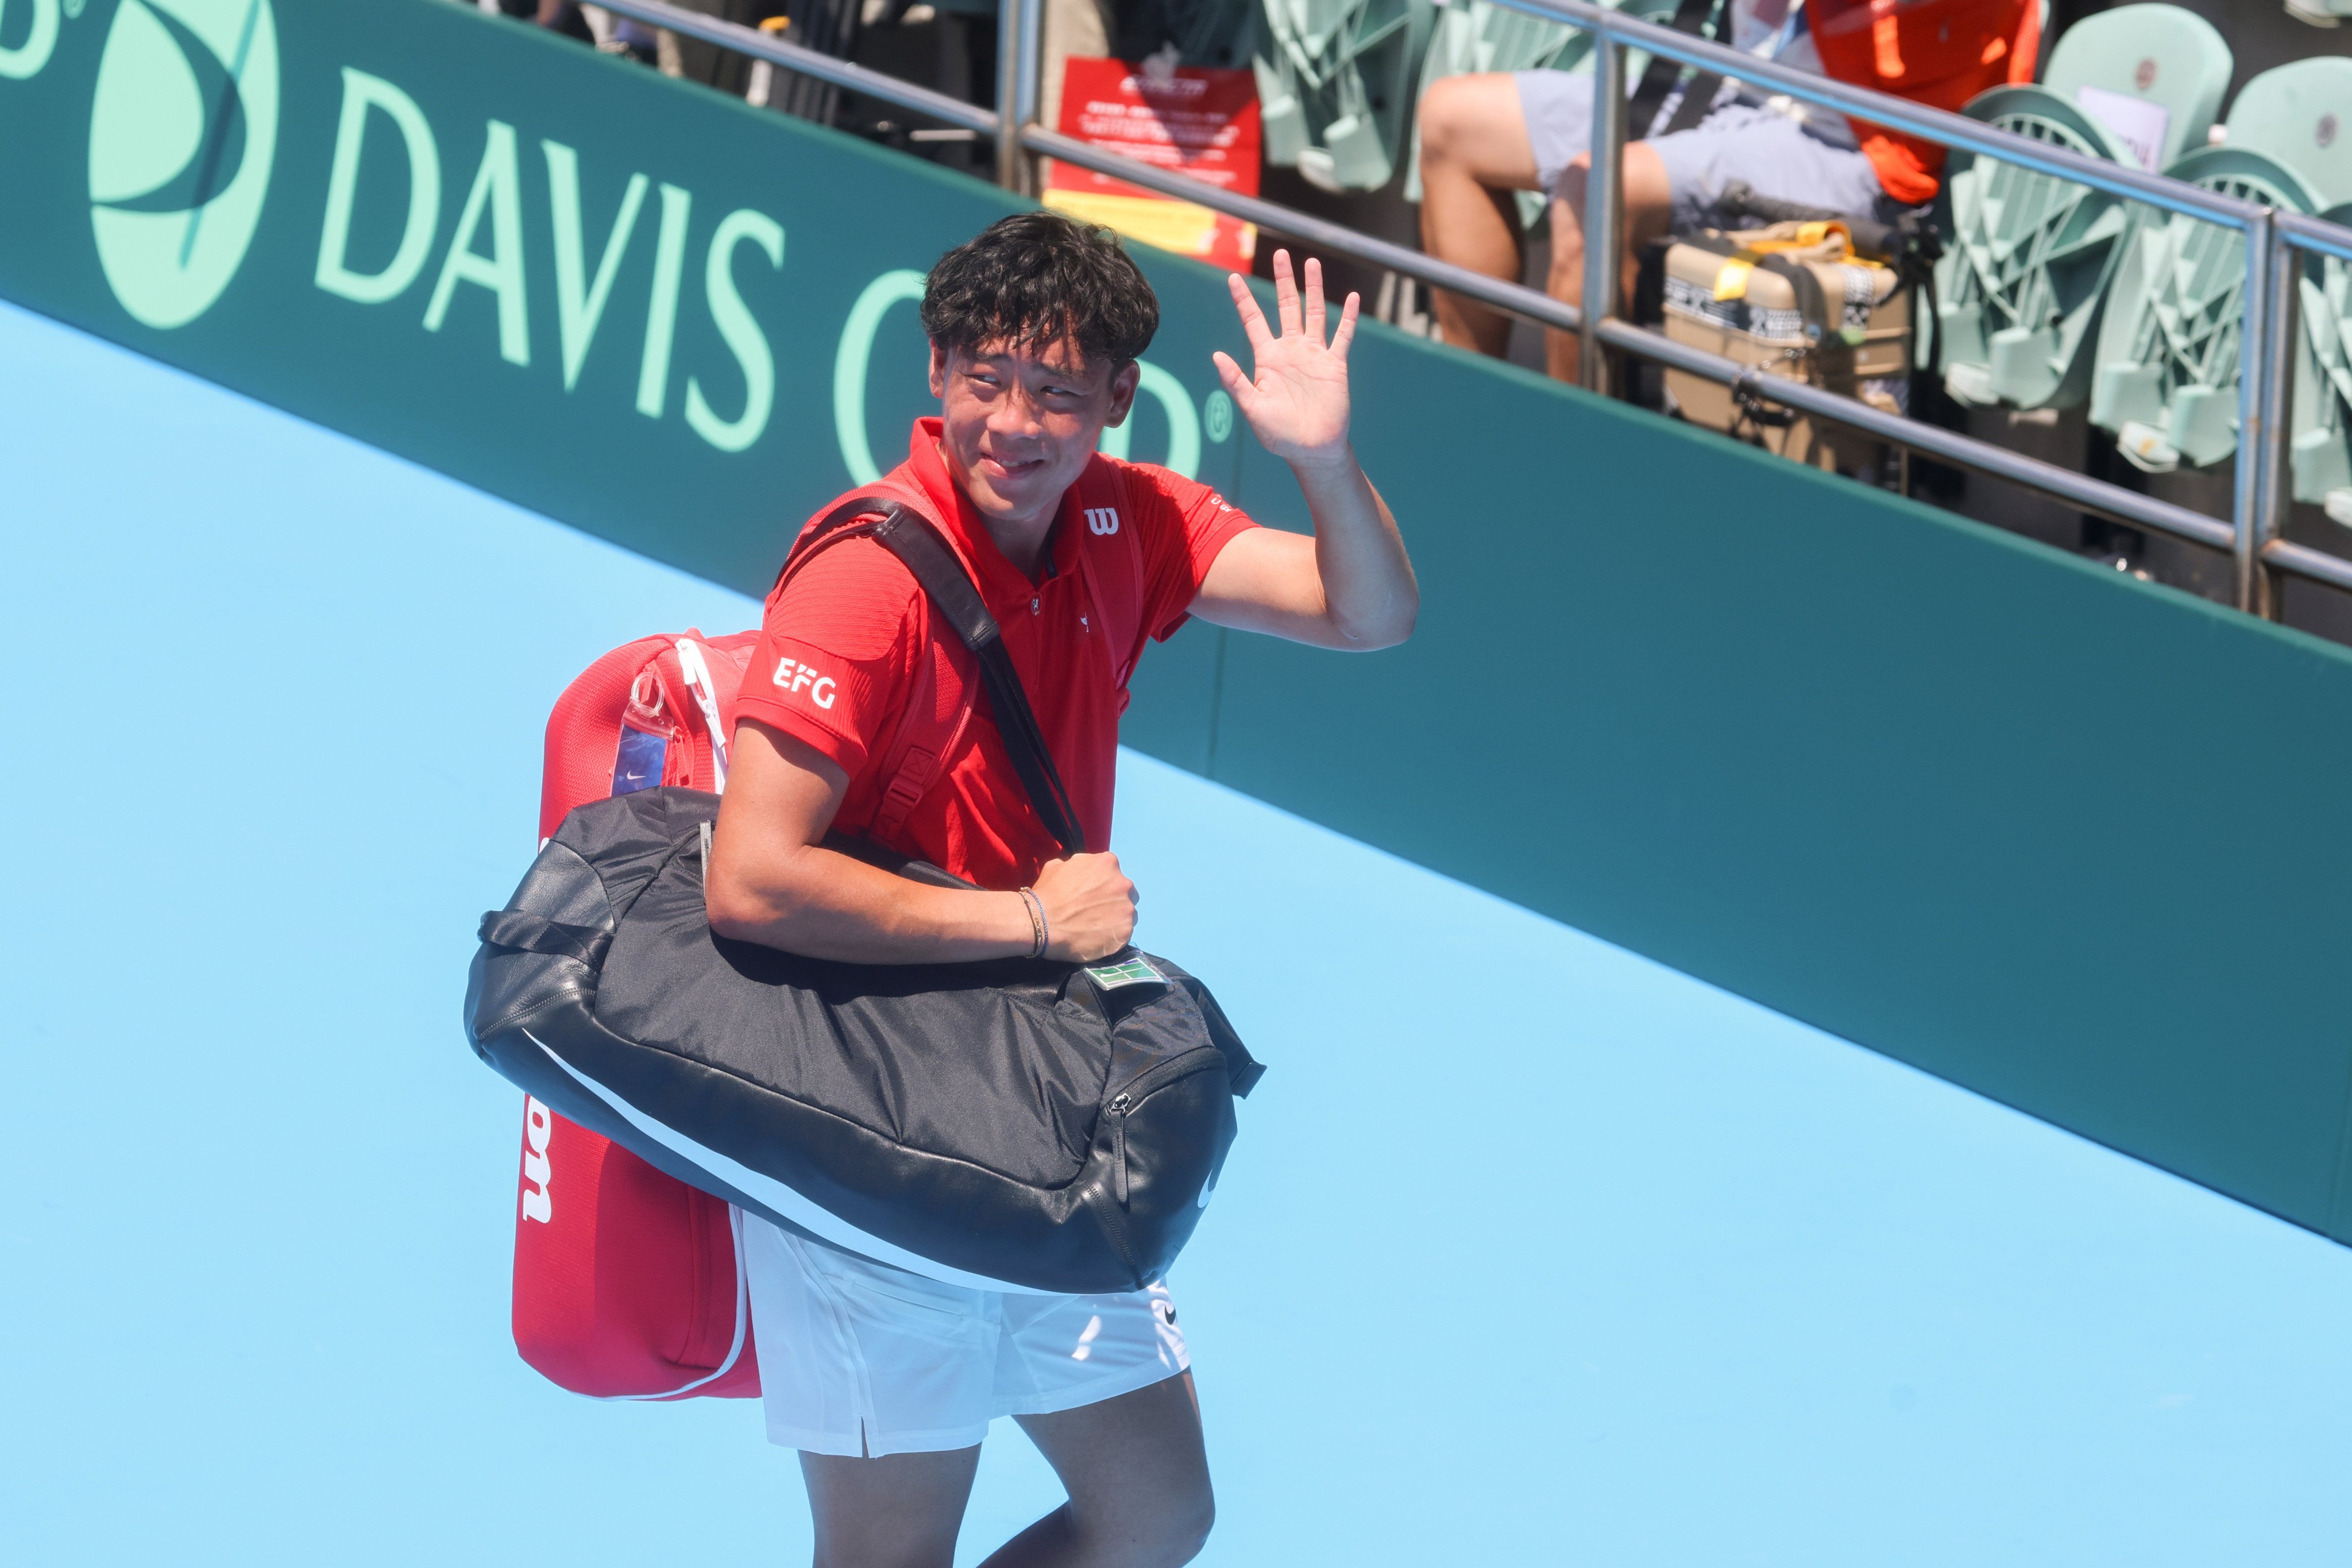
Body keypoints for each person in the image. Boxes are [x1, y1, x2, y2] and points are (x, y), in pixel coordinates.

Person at [703, 212, 1415, 1567]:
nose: (1014, 425)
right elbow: (752, 880)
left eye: (1056, 394)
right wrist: (1032, 922)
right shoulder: (864, 581)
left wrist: (1324, 462)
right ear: (935, 369)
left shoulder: (1126, 519)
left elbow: (1366, 610)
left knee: (1156, 1514)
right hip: (865, 1110)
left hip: (1035, 1096)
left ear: (1118, 405)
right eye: (985, 380)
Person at [1415, 0, 2038, 376]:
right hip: (1734, 91)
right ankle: (1476, 401)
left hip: (1859, 143)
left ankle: (1573, 458)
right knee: (1453, 121)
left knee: (1595, 189)